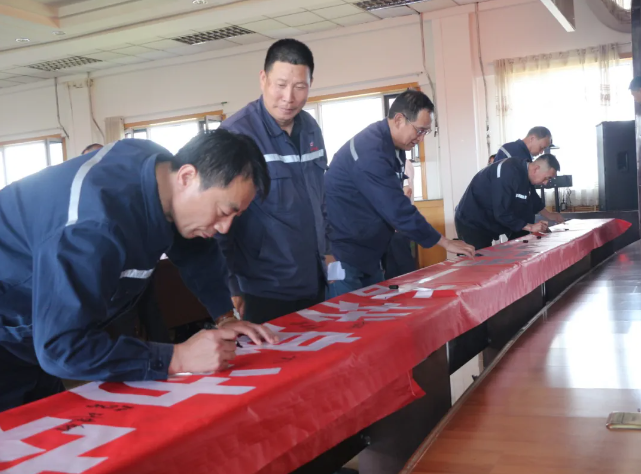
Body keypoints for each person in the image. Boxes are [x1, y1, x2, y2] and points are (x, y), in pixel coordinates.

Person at [0, 130, 278, 413]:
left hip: (35, 331)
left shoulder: (160, 173)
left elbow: (196, 251)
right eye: (223, 211)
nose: (224, 228)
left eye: (235, 216)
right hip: (11, 328)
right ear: (186, 177)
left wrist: (225, 316)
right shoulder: (94, 227)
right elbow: (61, 347)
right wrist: (178, 358)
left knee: (46, 420)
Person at [218, 39, 331, 324]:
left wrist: (329, 251)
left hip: (314, 279)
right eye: (280, 85)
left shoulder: (311, 128)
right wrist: (230, 286)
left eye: (300, 87)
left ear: (311, 84)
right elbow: (218, 220)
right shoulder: (236, 135)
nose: (289, 98)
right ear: (263, 79)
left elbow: (320, 198)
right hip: (262, 289)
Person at [324, 89, 475, 298]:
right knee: (347, 315)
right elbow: (397, 208)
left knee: (375, 310)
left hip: (369, 251)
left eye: (425, 132)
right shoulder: (370, 150)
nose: (420, 139)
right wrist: (445, 242)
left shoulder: (394, 147)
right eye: (419, 131)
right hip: (343, 252)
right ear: (399, 120)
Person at [454, 154, 561, 250]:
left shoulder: (527, 175)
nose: (546, 183)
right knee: (478, 260)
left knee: (520, 248)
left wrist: (550, 215)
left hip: (492, 221)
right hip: (472, 221)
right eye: (547, 178)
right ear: (536, 169)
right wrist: (531, 227)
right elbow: (501, 212)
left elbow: (534, 200)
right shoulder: (507, 173)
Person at [493, 127, 564, 226]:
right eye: (542, 147)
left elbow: (529, 191)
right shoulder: (513, 153)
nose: (542, 152)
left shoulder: (525, 156)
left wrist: (548, 214)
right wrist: (533, 224)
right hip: (508, 214)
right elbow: (526, 192)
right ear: (532, 138)